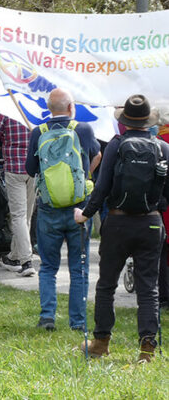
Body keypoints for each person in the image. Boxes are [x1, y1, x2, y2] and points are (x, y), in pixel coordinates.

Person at [74, 94, 169, 363]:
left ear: (125, 121)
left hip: (117, 222)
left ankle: (101, 343)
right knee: (149, 288)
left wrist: (85, 215)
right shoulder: (163, 148)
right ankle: (147, 350)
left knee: (106, 285)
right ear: (148, 121)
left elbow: (102, 187)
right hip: (151, 223)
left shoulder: (117, 144)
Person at [24, 89, 102, 333]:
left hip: (49, 208)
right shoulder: (83, 129)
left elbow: (30, 169)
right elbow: (97, 154)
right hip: (79, 208)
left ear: (49, 108)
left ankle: (47, 316)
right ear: (71, 107)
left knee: (48, 266)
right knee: (79, 267)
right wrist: (84, 174)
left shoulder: (39, 132)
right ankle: (77, 322)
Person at [0, 112, 37, 276]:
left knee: (18, 216)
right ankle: (15, 256)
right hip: (35, 168)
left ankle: (26, 261)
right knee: (27, 217)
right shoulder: (32, 106)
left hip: (14, 169)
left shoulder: (3, 111)